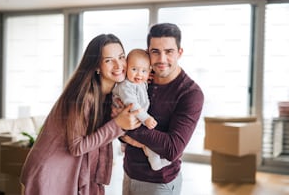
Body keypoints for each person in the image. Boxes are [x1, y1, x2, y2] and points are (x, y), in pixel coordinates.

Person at [20, 34, 141, 195]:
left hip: (69, 171)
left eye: (121, 57)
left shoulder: (112, 95)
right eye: (108, 60)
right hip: (49, 174)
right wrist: (118, 124)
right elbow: (77, 147)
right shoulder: (83, 97)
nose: (119, 65)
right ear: (96, 66)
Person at [121, 23, 204, 195]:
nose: (161, 59)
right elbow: (115, 119)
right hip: (128, 174)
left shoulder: (190, 94)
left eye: (169, 52)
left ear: (180, 52)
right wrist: (121, 129)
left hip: (159, 183)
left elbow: (172, 149)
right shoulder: (141, 80)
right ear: (148, 52)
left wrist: (128, 126)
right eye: (155, 52)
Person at [112, 48, 171, 171]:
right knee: (149, 141)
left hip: (135, 118)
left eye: (143, 71)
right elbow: (132, 104)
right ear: (126, 67)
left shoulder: (140, 82)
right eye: (134, 69)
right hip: (130, 118)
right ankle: (156, 164)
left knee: (144, 143)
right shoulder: (125, 86)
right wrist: (146, 118)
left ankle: (148, 155)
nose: (139, 74)